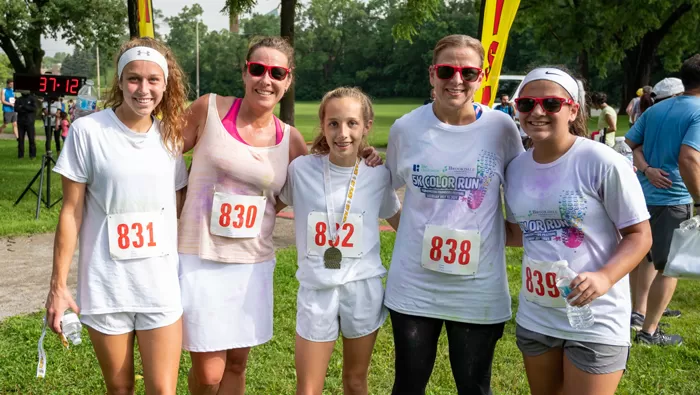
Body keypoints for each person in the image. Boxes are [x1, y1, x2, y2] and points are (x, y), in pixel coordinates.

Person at [177, 36, 382, 395]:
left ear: (287, 81)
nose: (265, 79)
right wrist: (180, 202)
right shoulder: (209, 108)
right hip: (200, 258)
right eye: (258, 69)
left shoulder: (289, 139)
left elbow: (313, 180)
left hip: (251, 262)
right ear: (245, 72)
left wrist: (365, 154)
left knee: (238, 364)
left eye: (277, 72)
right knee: (209, 373)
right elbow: (162, 151)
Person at [44, 37, 189, 394]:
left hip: (159, 287)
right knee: (119, 388)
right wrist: (58, 287)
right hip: (107, 286)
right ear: (120, 81)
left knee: (163, 390)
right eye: (134, 78)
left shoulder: (171, 137)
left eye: (153, 80)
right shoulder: (87, 132)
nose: (143, 89)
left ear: (166, 85)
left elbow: (178, 203)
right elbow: (71, 212)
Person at [384, 34, 524, 395]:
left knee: (475, 388)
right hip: (415, 284)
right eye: (446, 70)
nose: (457, 80)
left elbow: (522, 191)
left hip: (478, 285)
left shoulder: (502, 128)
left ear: (483, 75)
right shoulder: (406, 128)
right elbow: (383, 189)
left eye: (468, 72)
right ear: (432, 74)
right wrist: (409, 232)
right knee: (408, 386)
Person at [504, 66, 652, 395]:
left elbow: (640, 235)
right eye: (527, 104)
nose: (537, 112)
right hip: (537, 314)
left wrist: (604, 277)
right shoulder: (516, 168)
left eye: (551, 104)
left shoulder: (601, 161)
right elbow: (518, 233)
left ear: (573, 110)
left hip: (595, 316)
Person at [279, 87, 401, 395]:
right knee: (308, 388)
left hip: (362, 289)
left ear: (366, 126)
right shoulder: (301, 170)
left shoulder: (378, 175)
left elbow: (400, 223)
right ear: (322, 125)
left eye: (351, 123)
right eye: (333, 123)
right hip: (316, 290)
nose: (342, 133)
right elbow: (269, 208)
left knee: (356, 381)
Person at [625, 54, 700, 346]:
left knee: (644, 258)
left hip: (643, 195)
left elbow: (629, 143)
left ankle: (637, 313)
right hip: (674, 196)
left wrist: (645, 169)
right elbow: (689, 158)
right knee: (671, 266)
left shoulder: (657, 108)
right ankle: (650, 332)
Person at [15, 91, 38, 159]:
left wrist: (23, 106)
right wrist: (27, 109)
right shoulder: (19, 99)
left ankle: (32, 155)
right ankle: (20, 155)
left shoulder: (32, 99)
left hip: (30, 122)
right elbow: (16, 109)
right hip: (21, 122)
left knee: (31, 139)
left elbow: (34, 109)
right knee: (21, 139)